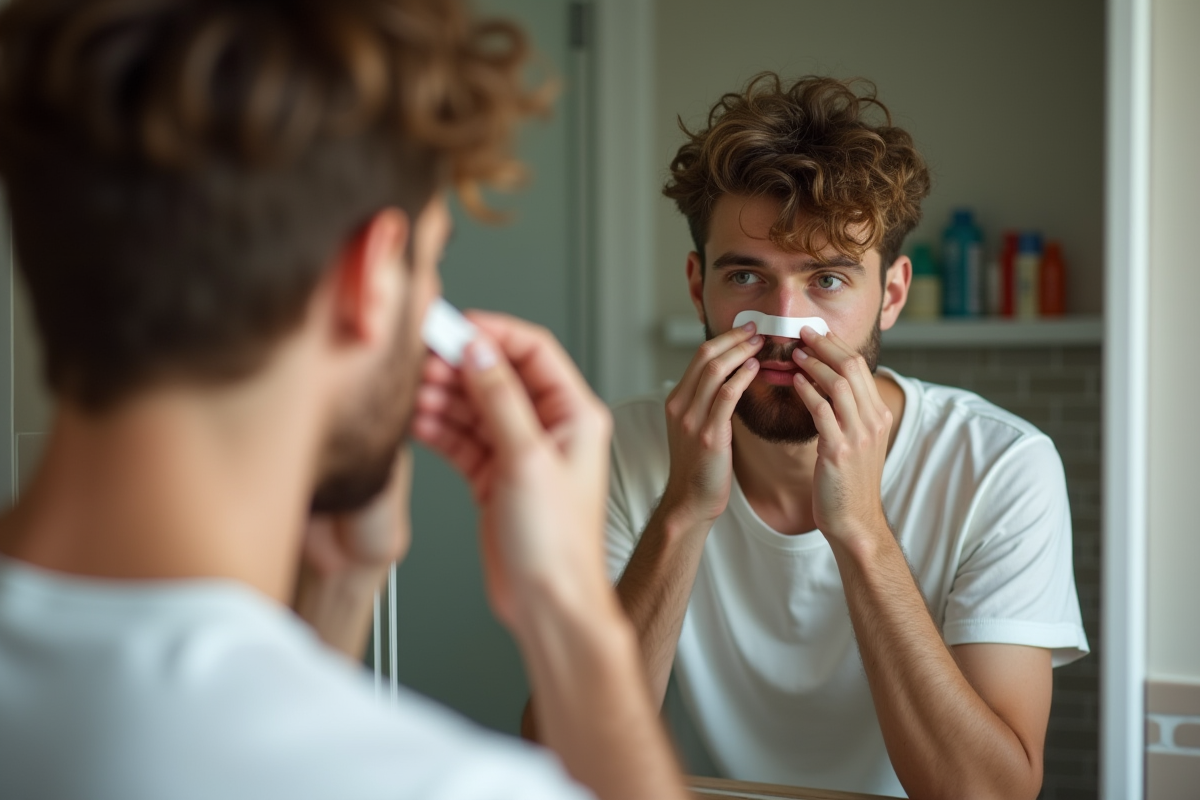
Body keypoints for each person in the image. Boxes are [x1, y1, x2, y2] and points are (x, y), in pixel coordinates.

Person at [0, 2, 689, 799]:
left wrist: (344, 582)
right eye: (432, 261)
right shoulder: (444, 786)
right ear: (372, 277)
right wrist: (572, 609)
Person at [523, 73, 1089, 799]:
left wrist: (861, 531)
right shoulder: (617, 448)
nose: (784, 325)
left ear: (891, 294)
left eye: (827, 279)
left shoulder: (1002, 466)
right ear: (698, 287)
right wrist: (683, 511)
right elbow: (557, 767)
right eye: (746, 277)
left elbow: (991, 794)